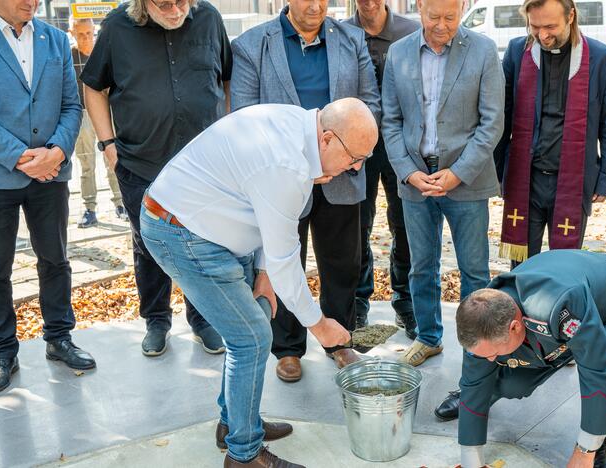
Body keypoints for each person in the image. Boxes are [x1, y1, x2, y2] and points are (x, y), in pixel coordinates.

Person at [141, 98, 372, 468]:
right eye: (354, 158)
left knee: (250, 329)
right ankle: (243, 455)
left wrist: (262, 274)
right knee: (251, 338)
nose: (356, 168)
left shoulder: (301, 132)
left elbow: (273, 223)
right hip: (181, 230)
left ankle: (234, 423)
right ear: (327, 138)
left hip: (208, 223)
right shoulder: (288, 165)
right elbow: (286, 259)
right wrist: (319, 325)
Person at [231, 0, 381, 381]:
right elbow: (246, 120)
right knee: (281, 262)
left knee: (343, 265)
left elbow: (370, 104)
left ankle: (339, 340)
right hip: (281, 180)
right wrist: (301, 167)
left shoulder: (352, 40)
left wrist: (351, 156)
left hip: (342, 177)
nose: (316, 6)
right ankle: (287, 347)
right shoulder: (253, 46)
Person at [81, 0, 232, 357]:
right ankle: (157, 320)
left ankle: (203, 318)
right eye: (164, 4)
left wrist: (226, 132)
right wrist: (107, 143)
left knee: (203, 242)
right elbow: (92, 87)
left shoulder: (209, 18)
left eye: (182, 1)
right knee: (149, 245)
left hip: (202, 165)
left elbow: (226, 77)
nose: (176, 10)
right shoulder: (117, 26)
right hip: (141, 163)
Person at [435, 250, 606, 468]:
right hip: (568, 317)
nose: (489, 358)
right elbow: (475, 378)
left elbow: (597, 371)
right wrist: (471, 459)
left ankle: (604, 438)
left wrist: (585, 450)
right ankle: (485, 398)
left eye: (492, 352)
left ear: (514, 327)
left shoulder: (561, 307)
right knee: (511, 383)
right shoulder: (481, 316)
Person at [382, 0, 505, 367]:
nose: (441, 25)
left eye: (450, 17)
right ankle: (429, 336)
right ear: (419, 8)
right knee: (421, 267)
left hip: (466, 181)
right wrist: (407, 170)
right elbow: (390, 120)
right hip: (416, 182)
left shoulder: (483, 50)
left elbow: (492, 123)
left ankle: (477, 346)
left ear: (463, 8)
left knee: (474, 270)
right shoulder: (398, 53)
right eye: (433, 16)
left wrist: (458, 173)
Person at [0, 0, 94, 394]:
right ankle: (3, 350)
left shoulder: (54, 39)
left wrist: (56, 150)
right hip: (1, 177)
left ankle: (59, 338)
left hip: (52, 174)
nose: (32, 1)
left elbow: (72, 106)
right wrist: (19, 158)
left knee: (55, 259)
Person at [494, 0, 606, 266]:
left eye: (551, 26)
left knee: (563, 266)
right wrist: (497, 171)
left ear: (571, 16)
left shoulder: (603, 60)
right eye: (535, 26)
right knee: (522, 266)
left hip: (573, 181)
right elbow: (502, 117)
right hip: (525, 179)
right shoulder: (518, 52)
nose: (542, 35)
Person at [345, 0, 420, 336]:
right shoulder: (342, 34)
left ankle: (405, 302)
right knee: (357, 226)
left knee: (404, 225)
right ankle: (359, 301)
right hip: (355, 148)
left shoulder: (410, 32)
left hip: (401, 146)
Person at [68, 17, 126, 228]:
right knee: (87, 164)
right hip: (81, 113)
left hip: (105, 112)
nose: (86, 38)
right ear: (72, 32)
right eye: (81, 33)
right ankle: (90, 208)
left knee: (112, 159)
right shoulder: (70, 56)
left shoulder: (101, 52)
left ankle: (120, 204)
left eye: (89, 33)